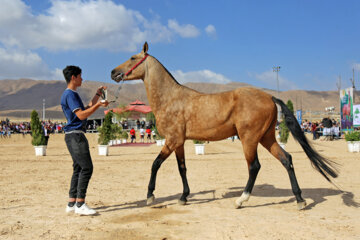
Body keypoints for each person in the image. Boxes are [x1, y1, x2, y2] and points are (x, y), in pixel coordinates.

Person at [61, 65, 109, 216]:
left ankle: (72, 202)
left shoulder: (71, 94)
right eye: (80, 76)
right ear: (73, 77)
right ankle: (80, 204)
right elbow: (82, 116)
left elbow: (85, 109)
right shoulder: (70, 95)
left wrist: (97, 95)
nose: (82, 78)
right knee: (87, 168)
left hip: (73, 136)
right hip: (75, 136)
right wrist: (99, 105)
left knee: (78, 169)